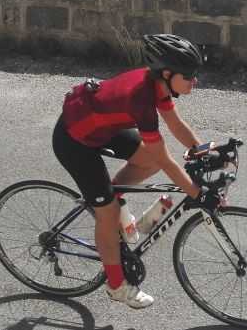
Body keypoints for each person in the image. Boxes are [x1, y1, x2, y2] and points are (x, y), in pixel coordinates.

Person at [52, 33, 220, 310]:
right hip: (74, 141)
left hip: (101, 127)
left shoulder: (158, 83)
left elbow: (176, 125)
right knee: (106, 215)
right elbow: (166, 160)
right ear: (167, 73)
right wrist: (196, 193)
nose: (195, 81)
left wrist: (204, 151)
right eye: (189, 76)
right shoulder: (141, 100)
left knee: (147, 161)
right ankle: (116, 285)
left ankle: (116, 206)